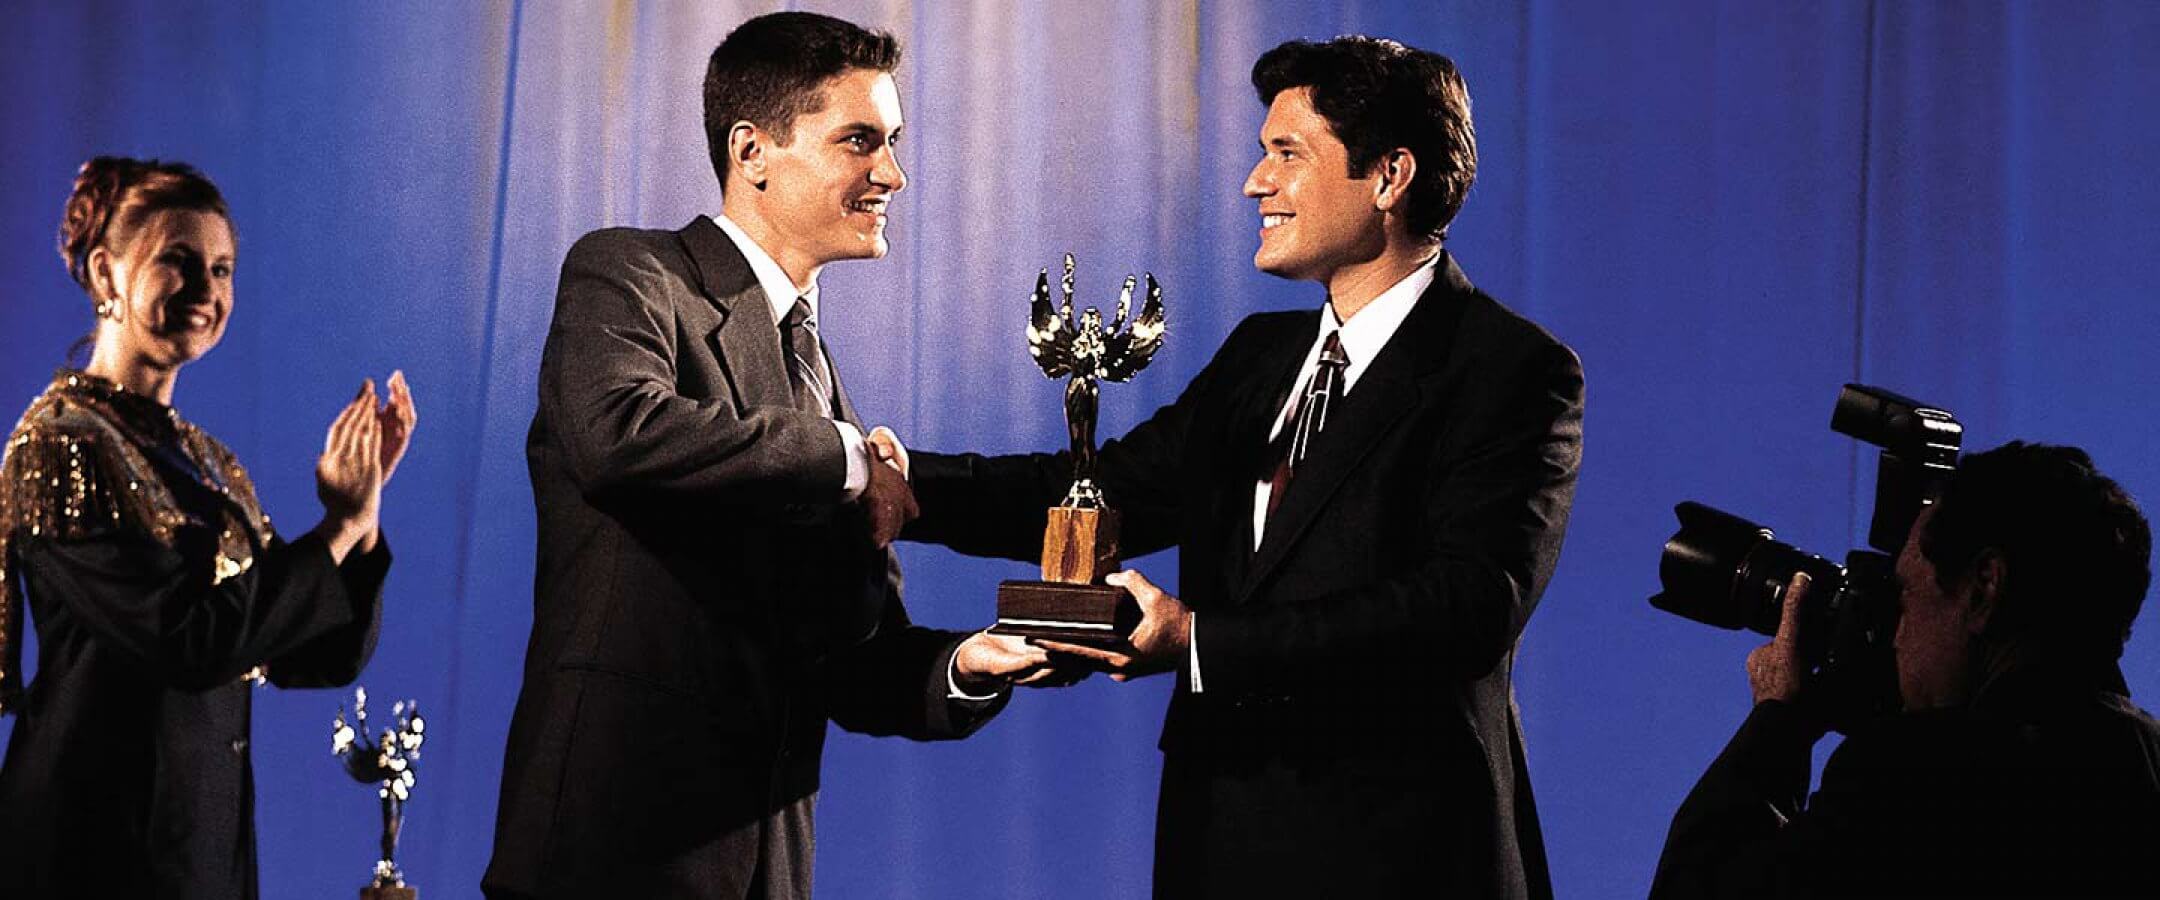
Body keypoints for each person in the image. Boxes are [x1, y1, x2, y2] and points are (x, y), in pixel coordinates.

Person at [898, 36, 1583, 899]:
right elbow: (1102, 492)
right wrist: (901, 487)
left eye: (1286, 154)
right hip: (1220, 839)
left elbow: (1463, 608)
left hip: (1403, 855)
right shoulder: (1261, 356)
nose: (1256, 182)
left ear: (1389, 176)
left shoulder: (1510, 369)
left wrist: (1198, 641)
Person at [482, 12, 1061, 900]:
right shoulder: (630, 273)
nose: (893, 175)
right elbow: (617, 434)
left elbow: (854, 658)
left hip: (766, 870)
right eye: (860, 141)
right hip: (612, 855)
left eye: (894, 142)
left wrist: (966, 665)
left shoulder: (819, 377)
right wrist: (850, 459)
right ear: (752, 151)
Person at [0, 157, 417, 899]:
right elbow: (191, 639)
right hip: (97, 852)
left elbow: (310, 655)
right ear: (105, 276)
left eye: (222, 270)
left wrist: (364, 515)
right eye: (179, 262)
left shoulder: (202, 462)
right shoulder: (59, 443)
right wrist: (336, 526)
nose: (207, 291)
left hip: (200, 851)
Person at [1650, 442, 2160, 898]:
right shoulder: (2144, 762)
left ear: (1984, 586)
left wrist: (1780, 720)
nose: (1895, 631)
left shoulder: (1918, 780)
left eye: (1907, 596)